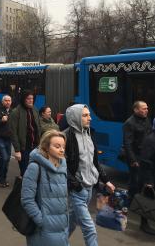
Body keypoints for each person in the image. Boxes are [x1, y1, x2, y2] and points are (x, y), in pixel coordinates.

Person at [65, 104, 115, 246]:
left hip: (89, 189)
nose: (90, 118)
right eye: (85, 115)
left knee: (72, 222)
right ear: (75, 117)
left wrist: (106, 181)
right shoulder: (66, 137)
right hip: (77, 190)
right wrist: (76, 185)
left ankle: (58, 241)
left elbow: (95, 162)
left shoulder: (89, 134)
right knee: (90, 229)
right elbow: (62, 167)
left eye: (89, 115)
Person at [21, 130, 69, 246]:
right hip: (42, 229)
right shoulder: (35, 167)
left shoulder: (62, 166)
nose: (61, 150)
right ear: (46, 147)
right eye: (57, 146)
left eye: (63, 146)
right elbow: (27, 199)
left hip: (62, 227)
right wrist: (41, 221)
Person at [123, 101, 152, 202]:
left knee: (144, 179)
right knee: (135, 180)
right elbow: (127, 143)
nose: (146, 110)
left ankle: (140, 200)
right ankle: (131, 200)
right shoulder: (129, 123)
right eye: (144, 108)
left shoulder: (147, 119)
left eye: (147, 108)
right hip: (136, 156)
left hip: (145, 155)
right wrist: (133, 160)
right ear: (136, 110)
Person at [9, 90, 41, 177]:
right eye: (28, 98)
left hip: (35, 147)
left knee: (35, 170)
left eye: (32, 98)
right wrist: (17, 150)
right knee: (25, 172)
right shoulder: (16, 112)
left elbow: (38, 127)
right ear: (23, 99)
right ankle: (23, 189)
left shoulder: (35, 109)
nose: (31, 100)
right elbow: (13, 133)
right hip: (24, 149)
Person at [137, 118, 155, 235]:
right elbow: (145, 161)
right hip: (151, 177)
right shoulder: (150, 139)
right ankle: (144, 225)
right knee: (146, 201)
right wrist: (148, 181)